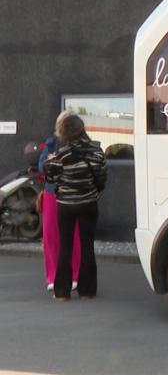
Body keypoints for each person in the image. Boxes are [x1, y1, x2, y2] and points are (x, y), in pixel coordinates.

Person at [43, 115, 106, 301]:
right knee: (87, 246)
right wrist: (93, 190)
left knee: (65, 246)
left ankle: (62, 292)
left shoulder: (61, 154)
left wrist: (52, 163)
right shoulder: (96, 152)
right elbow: (102, 178)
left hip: (66, 206)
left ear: (65, 131)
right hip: (89, 203)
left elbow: (50, 178)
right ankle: (87, 291)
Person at [38, 111, 81, 292]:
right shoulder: (51, 143)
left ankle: (74, 276)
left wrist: (56, 162)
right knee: (51, 235)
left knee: (74, 236)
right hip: (52, 194)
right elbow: (42, 166)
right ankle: (53, 276)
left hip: (73, 194)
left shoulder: (80, 145)